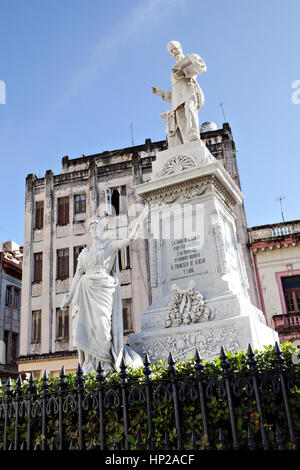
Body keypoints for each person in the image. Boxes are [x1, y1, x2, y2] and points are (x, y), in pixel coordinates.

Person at [60, 208, 148, 374]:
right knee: (86, 328)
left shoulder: (110, 246)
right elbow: (78, 275)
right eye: (91, 227)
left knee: (102, 326)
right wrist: (69, 297)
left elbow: (129, 238)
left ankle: (105, 363)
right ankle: (91, 366)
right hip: (85, 292)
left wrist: (140, 219)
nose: (93, 229)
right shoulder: (84, 253)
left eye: (96, 226)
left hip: (103, 291)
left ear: (103, 229)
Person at [152, 40, 207, 147]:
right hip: (177, 100)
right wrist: (161, 92)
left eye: (175, 49)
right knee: (182, 124)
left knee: (190, 110)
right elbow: (176, 92)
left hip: (190, 91)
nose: (174, 52)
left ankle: (194, 136)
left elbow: (202, 67)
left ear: (180, 47)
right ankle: (187, 145)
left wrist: (183, 72)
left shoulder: (190, 58)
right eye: (171, 51)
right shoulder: (173, 71)